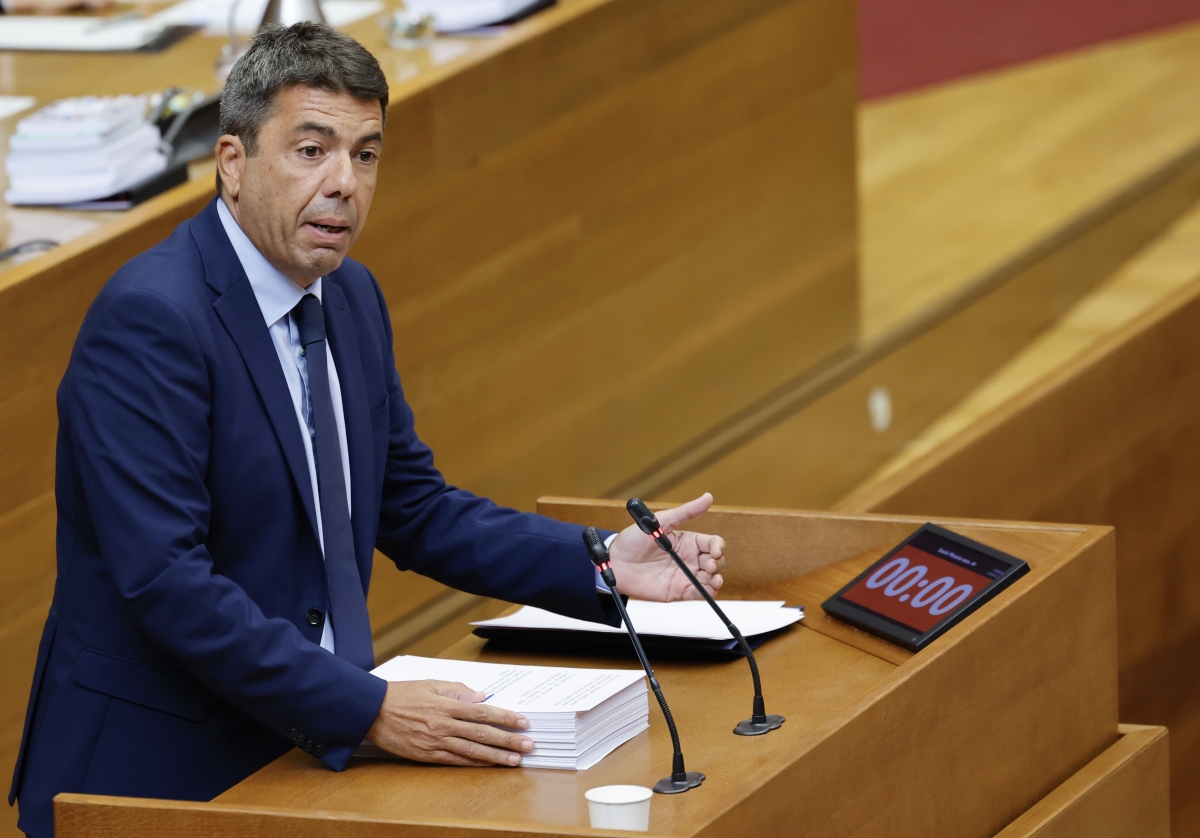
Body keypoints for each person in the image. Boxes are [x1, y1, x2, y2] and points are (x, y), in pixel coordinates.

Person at [9, 22, 727, 838]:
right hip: (157, 778)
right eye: (311, 150)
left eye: (366, 155)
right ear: (232, 162)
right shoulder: (150, 321)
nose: (344, 183)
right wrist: (371, 709)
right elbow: (168, 583)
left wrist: (597, 563)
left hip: (299, 753)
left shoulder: (350, 298)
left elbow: (411, 507)